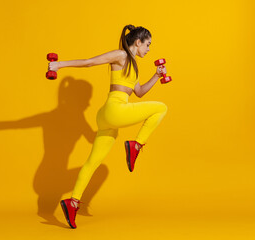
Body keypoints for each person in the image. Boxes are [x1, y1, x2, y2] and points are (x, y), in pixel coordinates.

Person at [48, 24, 168, 229]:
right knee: (161, 108)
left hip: (107, 116)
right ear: (137, 42)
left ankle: (73, 201)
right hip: (114, 110)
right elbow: (89, 63)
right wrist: (58, 65)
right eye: (147, 45)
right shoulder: (121, 55)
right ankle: (136, 146)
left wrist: (156, 76)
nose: (149, 49)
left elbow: (138, 92)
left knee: (93, 163)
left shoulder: (134, 65)